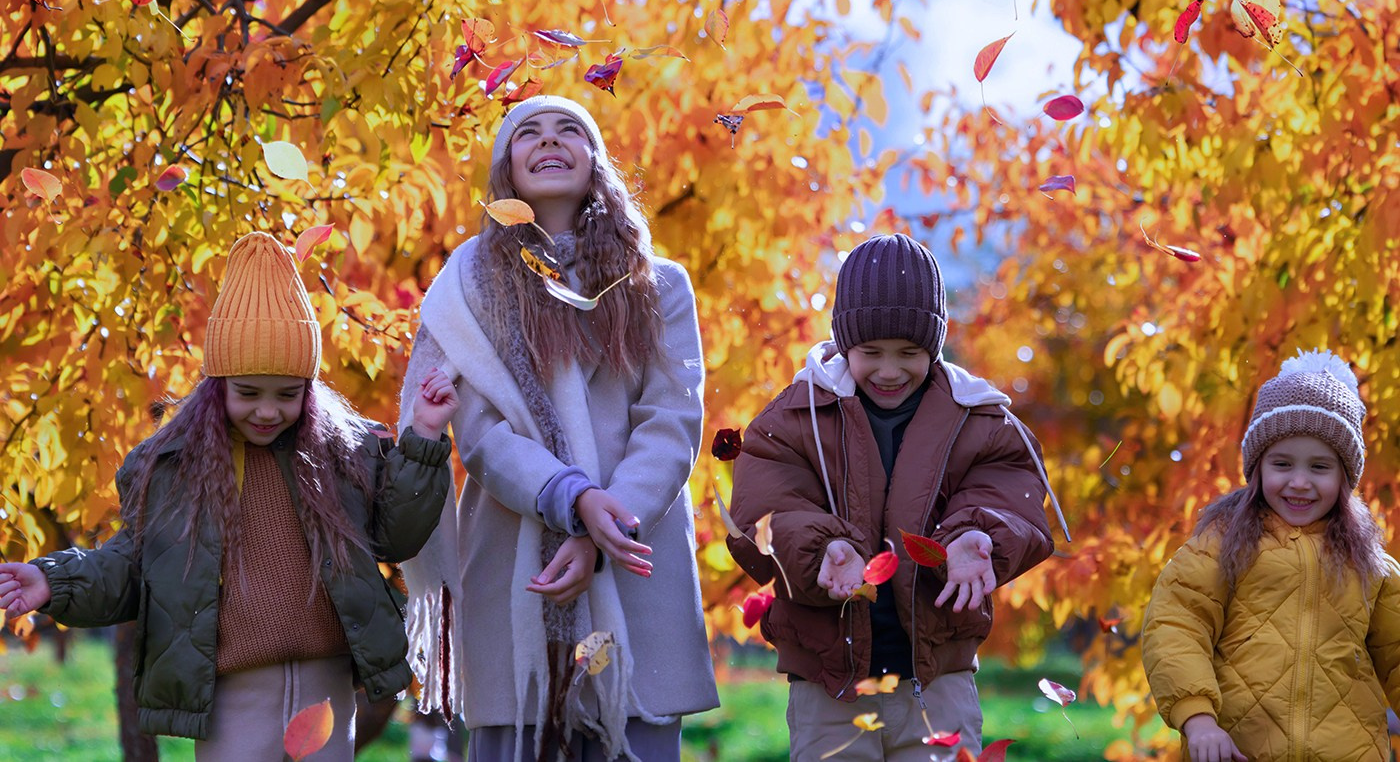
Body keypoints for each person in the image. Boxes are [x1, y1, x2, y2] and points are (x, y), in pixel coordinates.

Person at [0, 231, 457, 761]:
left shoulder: (344, 453)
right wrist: (54, 581)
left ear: (308, 393)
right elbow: (133, 566)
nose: (268, 411)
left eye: (287, 395)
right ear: (217, 384)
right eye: (248, 393)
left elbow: (392, 537)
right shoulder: (175, 467)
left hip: (325, 685)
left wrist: (422, 438)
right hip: (232, 697)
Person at [398, 95, 718, 762]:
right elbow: (479, 434)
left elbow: (671, 422)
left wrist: (608, 524)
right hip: (515, 559)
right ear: (504, 170)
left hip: (637, 559)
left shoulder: (659, 287)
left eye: (570, 128)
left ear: (595, 159)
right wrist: (573, 501)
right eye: (528, 133)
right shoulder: (471, 290)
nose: (549, 140)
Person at [727, 233, 1066, 761]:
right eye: (871, 353)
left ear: (934, 345)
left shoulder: (977, 419)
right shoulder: (795, 421)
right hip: (828, 682)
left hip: (936, 680)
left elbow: (1011, 492)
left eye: (909, 353)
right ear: (844, 344)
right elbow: (762, 512)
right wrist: (820, 551)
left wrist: (975, 534)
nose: (889, 371)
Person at [1143, 348, 1400, 762]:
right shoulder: (1223, 543)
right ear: (1258, 467)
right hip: (1238, 749)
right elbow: (1176, 625)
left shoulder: (1369, 563)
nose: (1299, 482)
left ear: (1346, 477)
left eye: (1320, 467)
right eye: (1282, 463)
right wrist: (1199, 720)